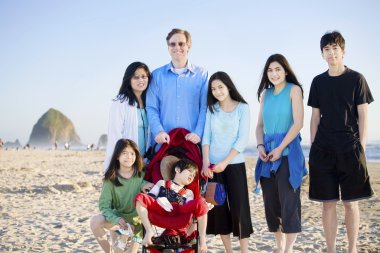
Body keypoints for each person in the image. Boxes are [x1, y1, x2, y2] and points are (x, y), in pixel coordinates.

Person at [308, 31, 374, 253]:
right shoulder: (318, 81)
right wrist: (314, 147)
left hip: (350, 148)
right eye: (327, 49)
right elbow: (315, 118)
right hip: (324, 149)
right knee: (328, 204)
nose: (331, 53)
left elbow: (363, 115)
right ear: (322, 54)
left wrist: (361, 147)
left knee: (350, 203)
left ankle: (352, 248)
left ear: (343, 51)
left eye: (335, 48)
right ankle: (330, 248)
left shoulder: (357, 79)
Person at [255, 54, 307, 253]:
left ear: (286, 70)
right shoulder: (265, 95)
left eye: (278, 69)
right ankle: (279, 247)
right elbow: (259, 126)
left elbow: (298, 123)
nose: (274, 74)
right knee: (272, 204)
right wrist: (260, 146)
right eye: (270, 70)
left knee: (289, 203)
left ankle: (288, 249)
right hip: (267, 156)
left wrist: (279, 148)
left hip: (288, 153)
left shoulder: (294, 90)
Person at [201, 71, 253, 253]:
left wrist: (225, 161)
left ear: (228, 86)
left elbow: (242, 139)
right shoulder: (211, 109)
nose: (217, 91)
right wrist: (205, 162)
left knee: (240, 207)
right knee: (219, 208)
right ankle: (229, 250)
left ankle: (244, 250)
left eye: (220, 87)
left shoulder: (243, 108)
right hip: (213, 167)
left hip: (235, 164)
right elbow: (206, 136)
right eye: (213, 89)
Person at [146, 28, 208, 146]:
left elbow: (204, 108)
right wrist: (159, 131)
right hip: (164, 143)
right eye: (172, 44)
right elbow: (151, 108)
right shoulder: (156, 75)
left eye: (181, 44)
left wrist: (198, 133)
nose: (177, 47)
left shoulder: (202, 75)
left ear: (188, 46)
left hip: (192, 143)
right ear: (168, 48)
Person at [90, 139, 154, 253]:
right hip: (118, 222)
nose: (129, 157)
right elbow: (104, 206)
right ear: (117, 156)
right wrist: (116, 219)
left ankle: (128, 241)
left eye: (132, 153)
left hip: (137, 224)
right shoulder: (110, 179)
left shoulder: (142, 174)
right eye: (124, 153)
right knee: (94, 222)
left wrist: (146, 185)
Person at [135, 158, 208, 253]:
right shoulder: (162, 183)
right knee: (140, 197)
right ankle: (149, 230)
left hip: (180, 215)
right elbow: (150, 197)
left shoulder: (189, 192)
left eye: (194, 175)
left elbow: (189, 206)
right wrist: (158, 200)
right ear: (177, 170)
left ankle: (202, 238)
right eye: (190, 171)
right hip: (161, 213)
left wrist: (202, 205)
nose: (192, 175)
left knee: (201, 201)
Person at [104, 62, 151, 172]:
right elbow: (115, 134)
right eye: (136, 77)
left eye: (144, 76)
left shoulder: (150, 102)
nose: (141, 80)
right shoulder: (121, 102)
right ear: (129, 79)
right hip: (127, 161)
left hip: (145, 161)